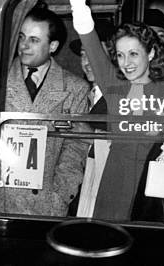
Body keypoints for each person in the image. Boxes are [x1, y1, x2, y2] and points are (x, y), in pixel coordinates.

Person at [62, 0, 164, 220]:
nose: (126, 62)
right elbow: (90, 43)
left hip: (150, 185)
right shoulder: (114, 86)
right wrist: (78, 4)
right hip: (114, 180)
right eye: (120, 54)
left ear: (150, 53)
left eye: (134, 54)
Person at [0, 4, 90, 217]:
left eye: (34, 40)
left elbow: (77, 146)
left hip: (45, 205)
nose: (24, 46)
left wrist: (60, 195)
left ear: (53, 46)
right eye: (21, 37)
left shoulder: (75, 89)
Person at [68, 21, 114, 217]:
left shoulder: (124, 97)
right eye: (83, 55)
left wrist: (91, 136)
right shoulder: (82, 94)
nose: (87, 62)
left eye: (94, 55)